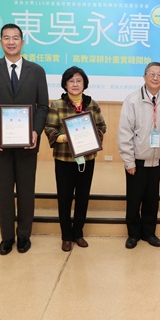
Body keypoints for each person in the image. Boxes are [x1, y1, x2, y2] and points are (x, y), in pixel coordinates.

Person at [0, 23, 49, 255]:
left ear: (22, 42)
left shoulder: (36, 71)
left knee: (27, 190)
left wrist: (36, 131)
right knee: (3, 192)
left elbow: (43, 106)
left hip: (28, 143)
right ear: (0, 42)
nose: (11, 42)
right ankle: (7, 236)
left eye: (15, 38)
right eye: (6, 38)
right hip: (0, 143)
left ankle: (24, 235)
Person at [44, 66, 106, 252]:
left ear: (84, 84)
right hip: (64, 159)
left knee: (82, 197)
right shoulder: (57, 105)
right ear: (65, 84)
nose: (75, 84)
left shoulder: (92, 104)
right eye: (71, 81)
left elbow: (102, 126)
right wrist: (64, 138)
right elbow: (49, 128)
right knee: (64, 198)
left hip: (87, 158)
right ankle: (66, 236)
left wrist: (93, 138)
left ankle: (78, 233)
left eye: (79, 81)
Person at [117, 62, 160, 249]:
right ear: (144, 77)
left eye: (159, 75)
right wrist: (129, 161)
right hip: (137, 161)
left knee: (152, 199)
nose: (155, 78)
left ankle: (149, 233)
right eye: (152, 74)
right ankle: (133, 234)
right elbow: (124, 133)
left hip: (157, 159)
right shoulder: (132, 100)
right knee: (134, 199)